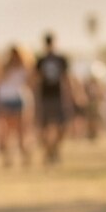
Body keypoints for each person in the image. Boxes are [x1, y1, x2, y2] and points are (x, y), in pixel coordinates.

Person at [35, 33, 71, 165]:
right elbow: (36, 79)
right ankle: (49, 151)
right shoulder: (40, 60)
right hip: (46, 97)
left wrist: (73, 95)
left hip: (59, 96)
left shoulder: (61, 59)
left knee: (62, 126)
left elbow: (66, 79)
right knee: (45, 127)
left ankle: (54, 149)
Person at [0, 45, 31, 167]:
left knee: (20, 131)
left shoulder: (24, 68)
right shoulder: (4, 68)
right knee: (5, 131)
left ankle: (25, 157)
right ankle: (7, 158)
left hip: (18, 100)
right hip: (5, 100)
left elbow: (30, 82)